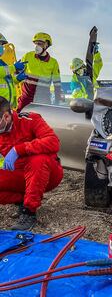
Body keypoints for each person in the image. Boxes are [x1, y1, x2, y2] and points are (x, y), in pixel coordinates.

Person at [0, 96, 63, 230]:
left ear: (6, 117)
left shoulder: (30, 119)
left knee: (38, 160)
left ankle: (29, 211)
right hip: (21, 176)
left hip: (48, 174)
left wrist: (19, 149)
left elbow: (53, 142)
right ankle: (22, 199)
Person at [17, 32, 64, 112]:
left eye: (40, 43)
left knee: (42, 122)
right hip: (26, 99)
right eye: (36, 43)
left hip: (43, 101)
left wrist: (57, 102)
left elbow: (57, 84)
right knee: (20, 120)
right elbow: (17, 73)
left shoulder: (53, 62)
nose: (37, 46)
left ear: (47, 45)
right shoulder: (28, 56)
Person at [0, 34, 27, 108]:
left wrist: (17, 79)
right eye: (0, 44)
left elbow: (6, 81)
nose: (1, 47)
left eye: (2, 45)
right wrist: (14, 67)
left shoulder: (2, 62)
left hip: (7, 107)